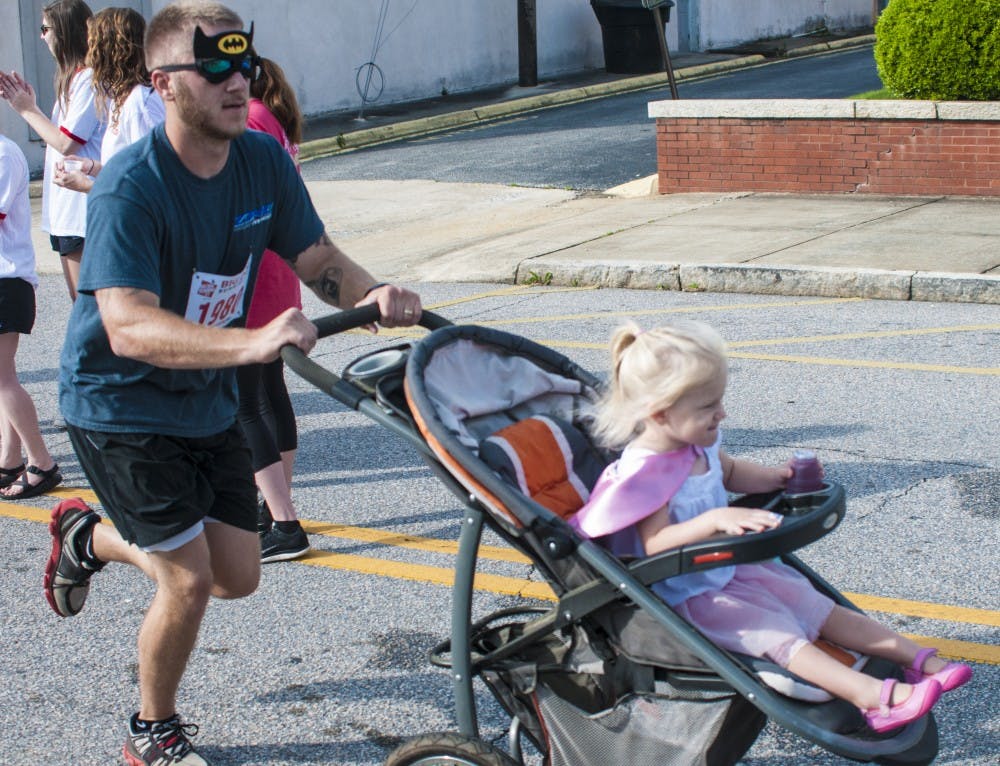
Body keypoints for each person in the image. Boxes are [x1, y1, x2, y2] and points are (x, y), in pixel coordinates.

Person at [43, 3, 422, 764]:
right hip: (120, 404)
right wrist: (253, 340)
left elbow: (317, 257)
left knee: (237, 576)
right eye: (213, 66)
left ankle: (86, 536)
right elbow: (128, 326)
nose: (235, 79)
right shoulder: (132, 185)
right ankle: (152, 731)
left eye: (242, 62)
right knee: (186, 580)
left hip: (205, 397)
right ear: (164, 84)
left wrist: (373, 294)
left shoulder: (260, 160)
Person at [570, 320, 972, 735]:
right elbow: (655, 544)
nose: (722, 413)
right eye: (709, 406)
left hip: (727, 568)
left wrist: (777, 479)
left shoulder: (695, 442)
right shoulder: (645, 471)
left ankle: (920, 661)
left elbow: (729, 472)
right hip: (691, 592)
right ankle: (873, 698)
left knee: (813, 604)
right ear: (660, 413)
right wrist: (714, 520)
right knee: (777, 632)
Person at [237, 54, 309, 563]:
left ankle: (283, 521)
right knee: (268, 390)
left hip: (258, 273)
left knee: (245, 400)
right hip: (277, 271)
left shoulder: (254, 121)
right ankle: (275, 506)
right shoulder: (274, 120)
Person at [0, 0, 103, 301]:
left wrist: (27, 110)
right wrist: (30, 105)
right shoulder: (73, 80)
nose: (42, 37)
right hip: (68, 211)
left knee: (91, 314)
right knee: (84, 313)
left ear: (66, 32)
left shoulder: (88, 79)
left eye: (46, 29)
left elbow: (66, 143)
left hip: (81, 212)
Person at [0, 131, 63, 499]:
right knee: (4, 378)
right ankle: (10, 460)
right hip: (6, 278)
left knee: (3, 379)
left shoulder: (6, 154)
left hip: (7, 278)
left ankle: (42, 462)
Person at [55, 6, 166, 195]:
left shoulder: (140, 102)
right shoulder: (123, 97)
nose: (88, 54)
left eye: (92, 45)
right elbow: (129, 170)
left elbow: (152, 181)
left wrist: (87, 186)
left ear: (108, 50)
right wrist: (92, 167)